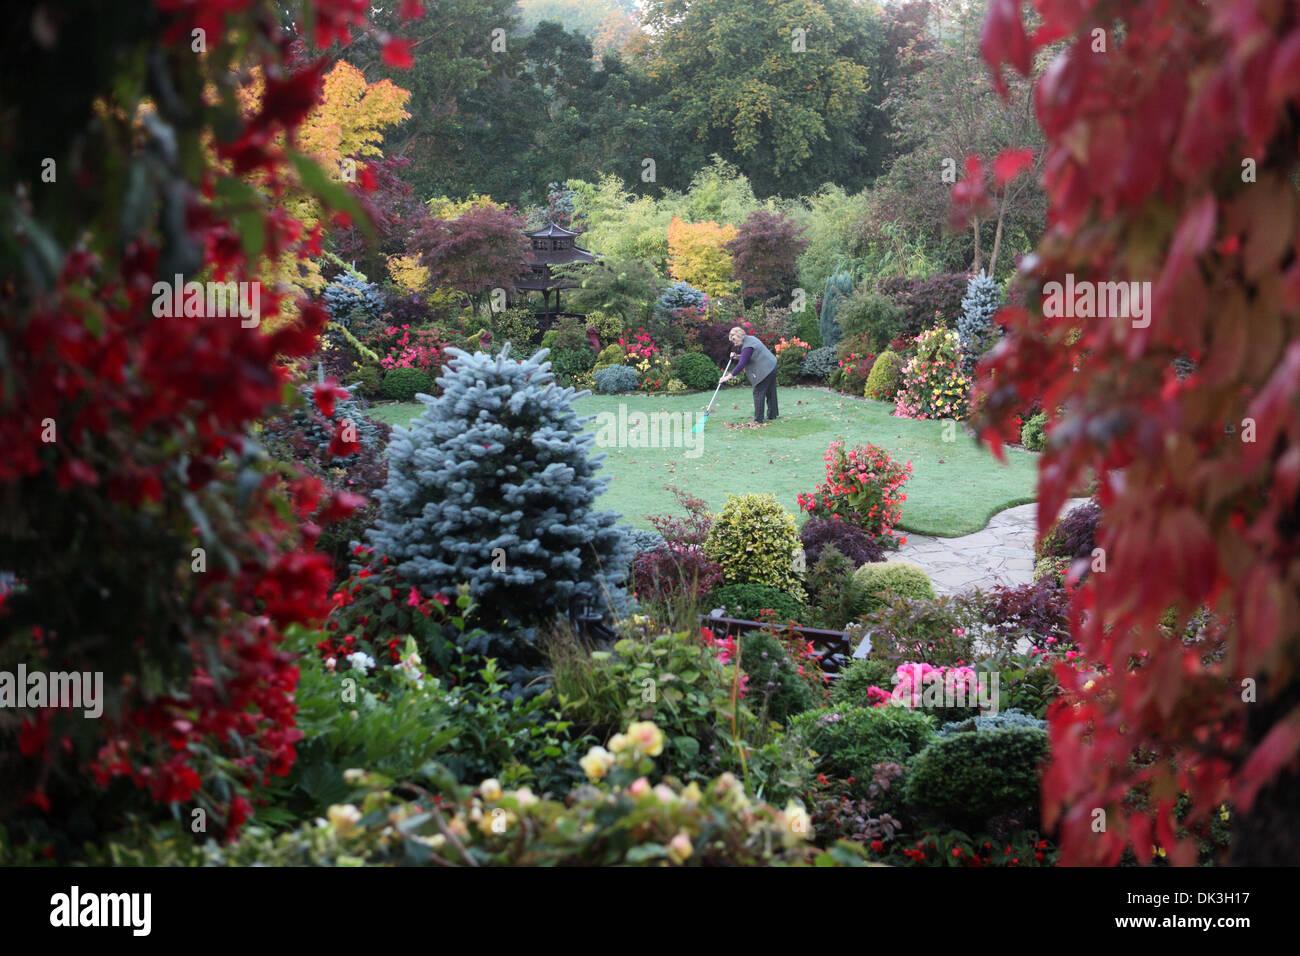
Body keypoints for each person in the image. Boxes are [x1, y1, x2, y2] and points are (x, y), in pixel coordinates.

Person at [719, 325, 779, 423]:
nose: (735, 344)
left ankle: (758, 419)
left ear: (740, 338)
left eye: (736, 341)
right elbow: (747, 357)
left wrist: (727, 377)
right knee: (770, 391)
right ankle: (772, 415)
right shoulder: (750, 339)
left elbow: (741, 364)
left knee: (758, 392)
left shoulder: (747, 346)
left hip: (766, 369)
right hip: (772, 364)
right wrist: (737, 356)